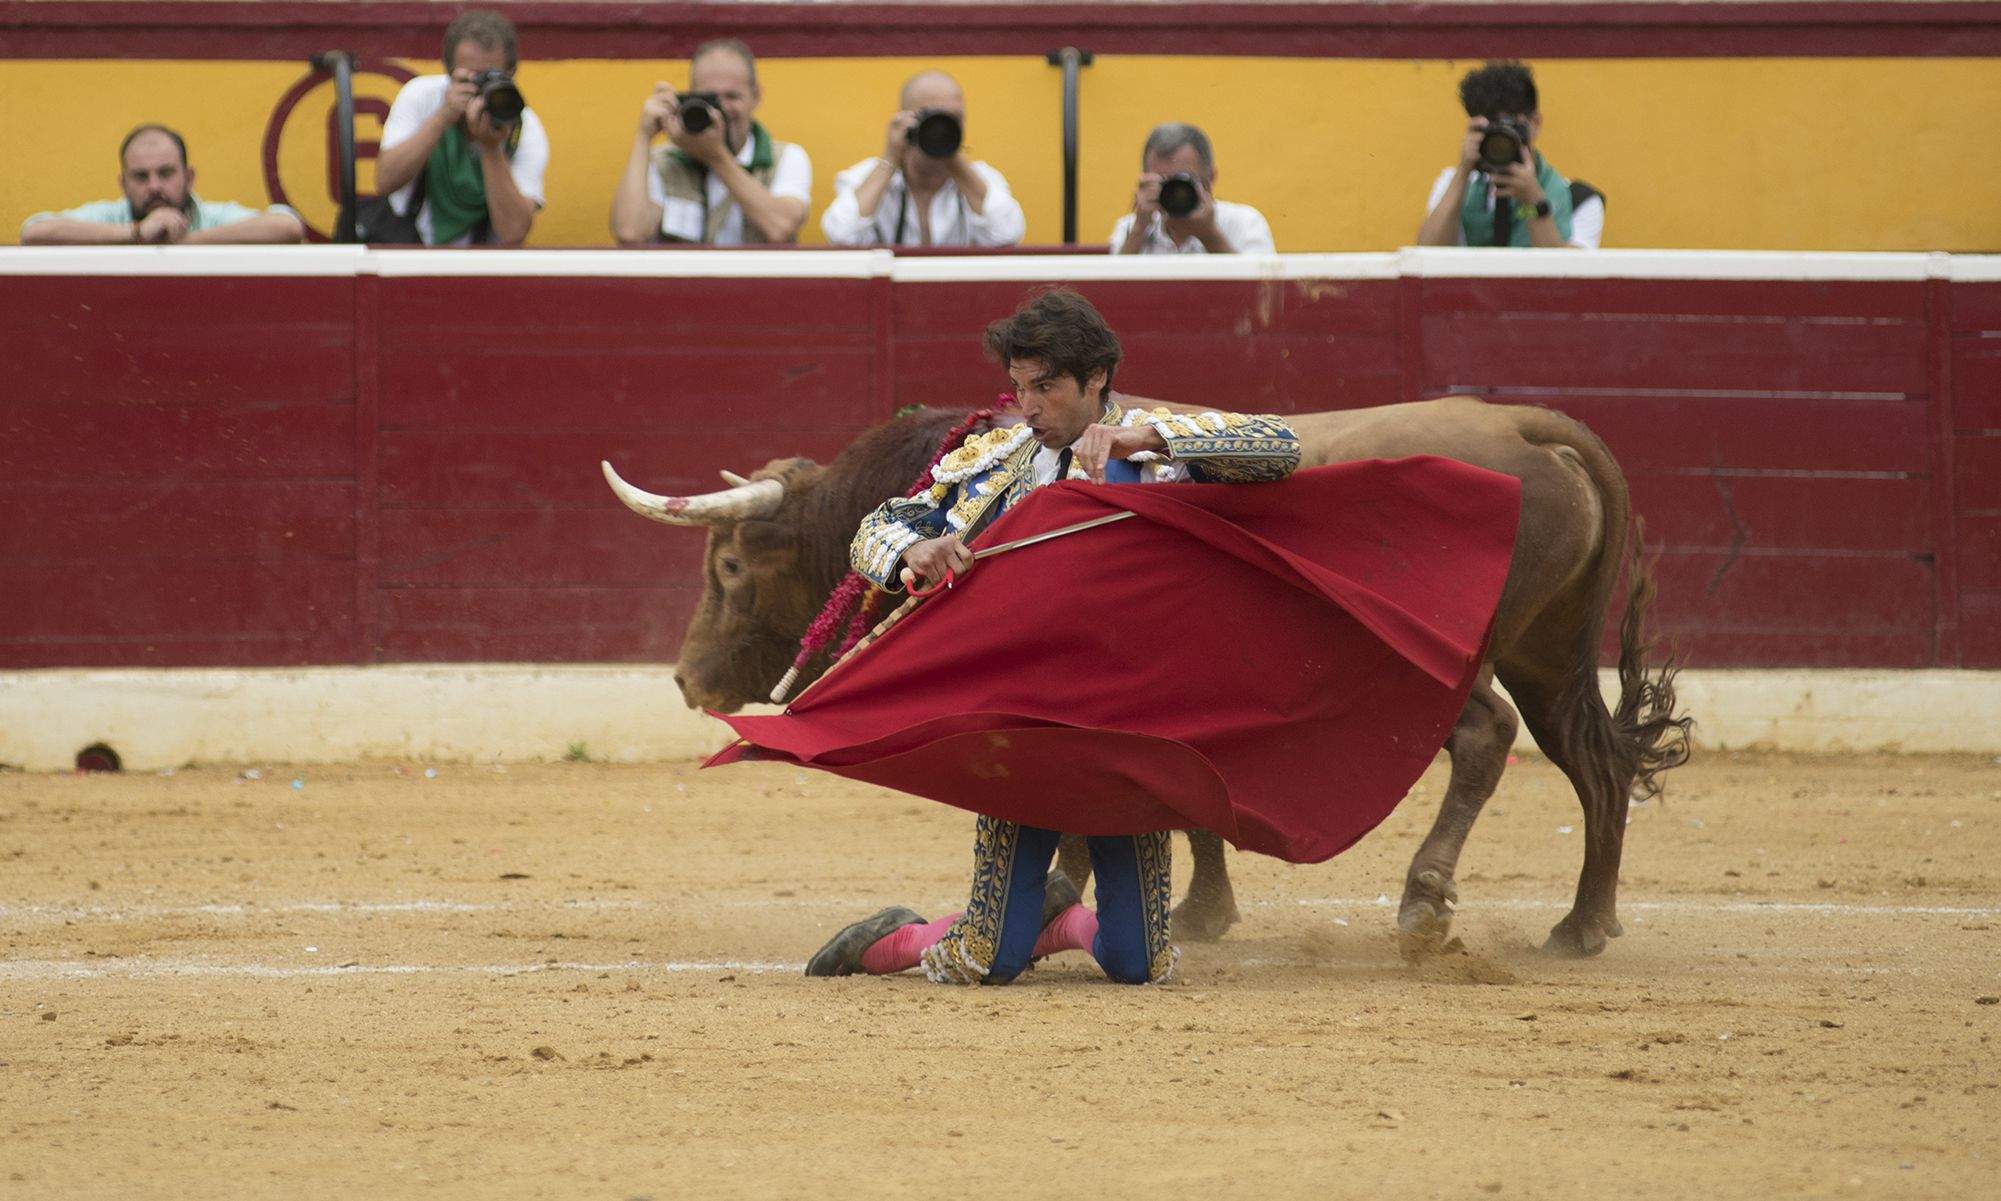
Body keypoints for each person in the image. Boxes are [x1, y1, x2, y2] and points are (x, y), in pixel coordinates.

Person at [806, 289, 1301, 986]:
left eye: (1045, 387)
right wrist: (913, 552)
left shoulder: (1159, 453)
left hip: (1126, 738)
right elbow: (877, 526)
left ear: (1096, 378)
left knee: (1139, 965)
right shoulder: (998, 460)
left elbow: (1282, 448)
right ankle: (888, 940)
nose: (1028, 407)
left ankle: (1064, 921)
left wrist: (1152, 436)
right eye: (1017, 388)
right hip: (1027, 736)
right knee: (984, 960)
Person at [611, 38, 811, 246]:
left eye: (732, 96)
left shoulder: (785, 157)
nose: (721, 109)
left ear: (756, 96)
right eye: (710, 98)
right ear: (690, 96)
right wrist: (644, 136)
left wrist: (715, 156)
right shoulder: (665, 161)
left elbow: (780, 228)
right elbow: (630, 234)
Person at [374, 9, 548, 246]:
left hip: (480, 263)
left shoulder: (525, 127)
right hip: (411, 248)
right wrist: (443, 116)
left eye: (491, 77)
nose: (481, 89)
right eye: (471, 78)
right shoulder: (421, 96)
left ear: (511, 74)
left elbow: (513, 233)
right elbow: (384, 181)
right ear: (448, 72)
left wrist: (492, 148)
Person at [819, 70, 1025, 248]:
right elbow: (840, 236)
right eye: (931, 118)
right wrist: (890, 158)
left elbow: (1008, 235)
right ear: (903, 119)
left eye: (953, 119)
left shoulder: (983, 178)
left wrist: (955, 159)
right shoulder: (866, 176)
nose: (941, 127)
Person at [1417, 60, 1603, 250]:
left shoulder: (1580, 201)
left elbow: (1566, 275)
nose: (1500, 139)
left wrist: (1533, 200)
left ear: (1535, 123)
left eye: (1509, 127)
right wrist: (1463, 172)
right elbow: (1427, 254)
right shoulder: (1454, 186)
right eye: (1491, 129)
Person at [21, 125, 305, 245]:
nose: (155, 186)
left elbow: (287, 227)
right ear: (123, 184)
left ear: (189, 178)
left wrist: (186, 243)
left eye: (166, 173)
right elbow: (35, 232)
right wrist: (136, 234)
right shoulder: (110, 218)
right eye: (141, 176)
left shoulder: (213, 217)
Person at [1108, 123, 1273, 255]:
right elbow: (1112, 292)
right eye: (1163, 182)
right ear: (1145, 180)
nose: (1174, 191)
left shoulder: (1245, 223)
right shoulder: (1131, 228)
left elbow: (1258, 291)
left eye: (1183, 180)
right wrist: (1138, 230)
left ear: (1211, 177)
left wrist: (1209, 235)